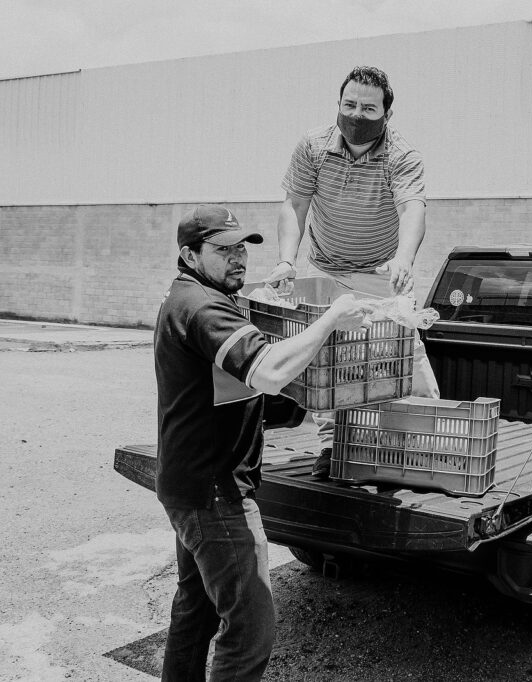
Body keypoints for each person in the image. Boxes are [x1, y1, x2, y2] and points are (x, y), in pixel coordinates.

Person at [155, 205, 371, 680]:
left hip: (191, 483)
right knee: (251, 628)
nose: (238, 258)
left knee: (197, 609)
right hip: (215, 494)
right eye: (223, 249)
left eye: (242, 248)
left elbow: (242, 385)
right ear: (190, 255)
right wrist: (330, 319)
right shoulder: (203, 307)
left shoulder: (197, 296)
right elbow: (269, 371)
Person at [264, 65, 439, 478]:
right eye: (350, 104)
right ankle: (332, 447)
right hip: (326, 271)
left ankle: (425, 443)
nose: (357, 115)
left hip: (383, 274)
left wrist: (404, 258)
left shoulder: (402, 155)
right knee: (328, 361)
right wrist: (287, 260)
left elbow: (412, 209)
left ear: (387, 114)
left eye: (368, 108)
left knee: (403, 357)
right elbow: (295, 204)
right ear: (338, 104)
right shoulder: (313, 146)